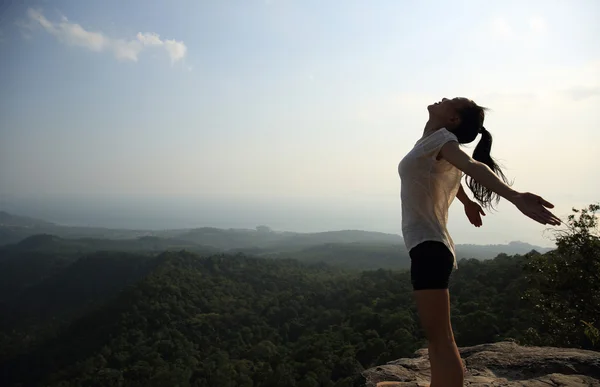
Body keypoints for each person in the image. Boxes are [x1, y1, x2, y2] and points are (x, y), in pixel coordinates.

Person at [397, 97, 561, 387]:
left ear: (454, 120)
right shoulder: (433, 142)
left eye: (453, 101)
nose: (445, 98)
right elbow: (447, 174)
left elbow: (470, 165)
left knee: (441, 337)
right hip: (426, 247)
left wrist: (514, 196)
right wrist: (467, 201)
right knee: (436, 336)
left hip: (430, 248)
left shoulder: (445, 140)